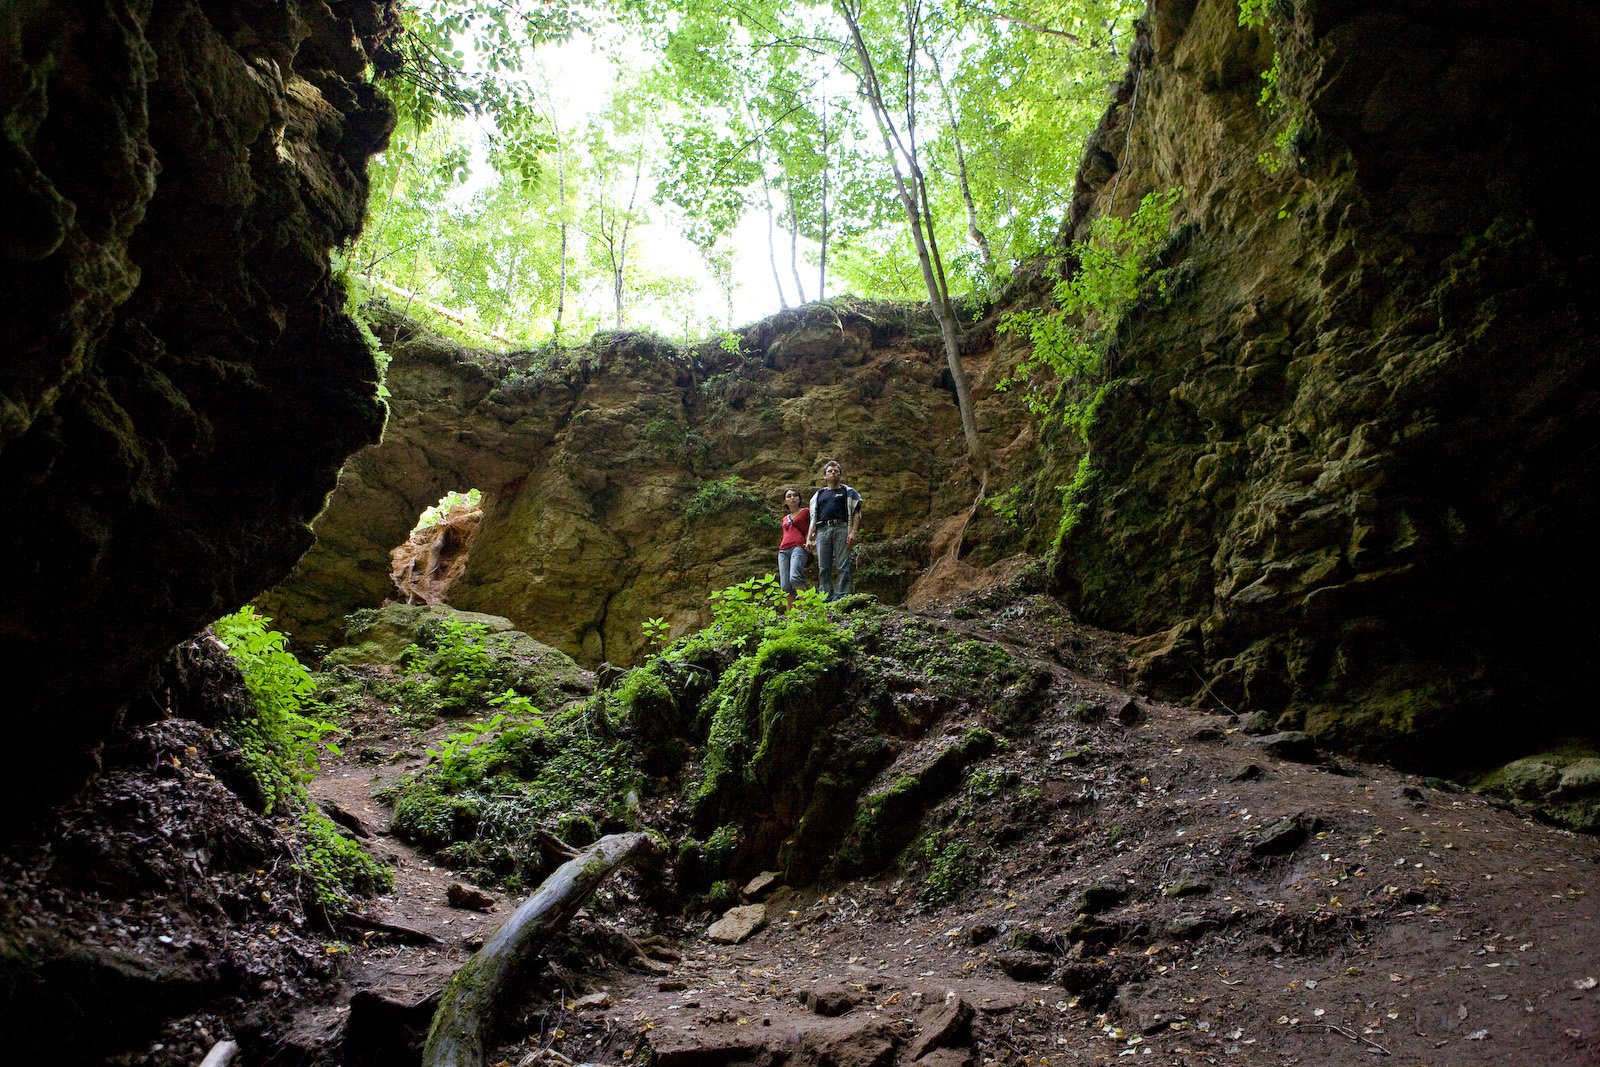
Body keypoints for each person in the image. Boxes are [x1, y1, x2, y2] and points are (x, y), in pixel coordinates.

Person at [804, 459, 863, 601]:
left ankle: (842, 595)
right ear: (824, 476)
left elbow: (857, 513)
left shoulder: (848, 492)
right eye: (830, 471)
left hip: (842, 528)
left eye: (836, 471)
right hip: (822, 530)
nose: (833, 473)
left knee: (843, 563)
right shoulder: (818, 495)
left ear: (840, 475)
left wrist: (853, 532)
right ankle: (825, 596)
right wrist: (809, 538)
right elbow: (813, 518)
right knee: (823, 566)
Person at [776, 487, 810, 604]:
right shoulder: (785, 518)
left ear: (799, 499)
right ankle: (791, 615)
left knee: (795, 578)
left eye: (795, 495)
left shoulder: (806, 511)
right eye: (789, 496)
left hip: (799, 547)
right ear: (785, 502)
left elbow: (813, 527)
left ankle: (806, 608)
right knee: (785, 586)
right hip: (783, 550)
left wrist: (811, 540)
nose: (792, 498)